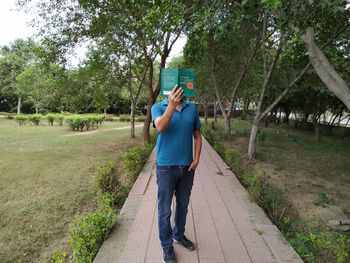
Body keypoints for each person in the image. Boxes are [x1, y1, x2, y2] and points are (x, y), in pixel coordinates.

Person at [151, 85, 202, 263]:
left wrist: (196, 158)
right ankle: (166, 245)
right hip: (165, 167)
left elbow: (197, 135)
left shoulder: (192, 108)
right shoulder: (158, 107)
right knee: (164, 210)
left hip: (187, 167)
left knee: (183, 204)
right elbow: (161, 128)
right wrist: (171, 106)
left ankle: (178, 235)